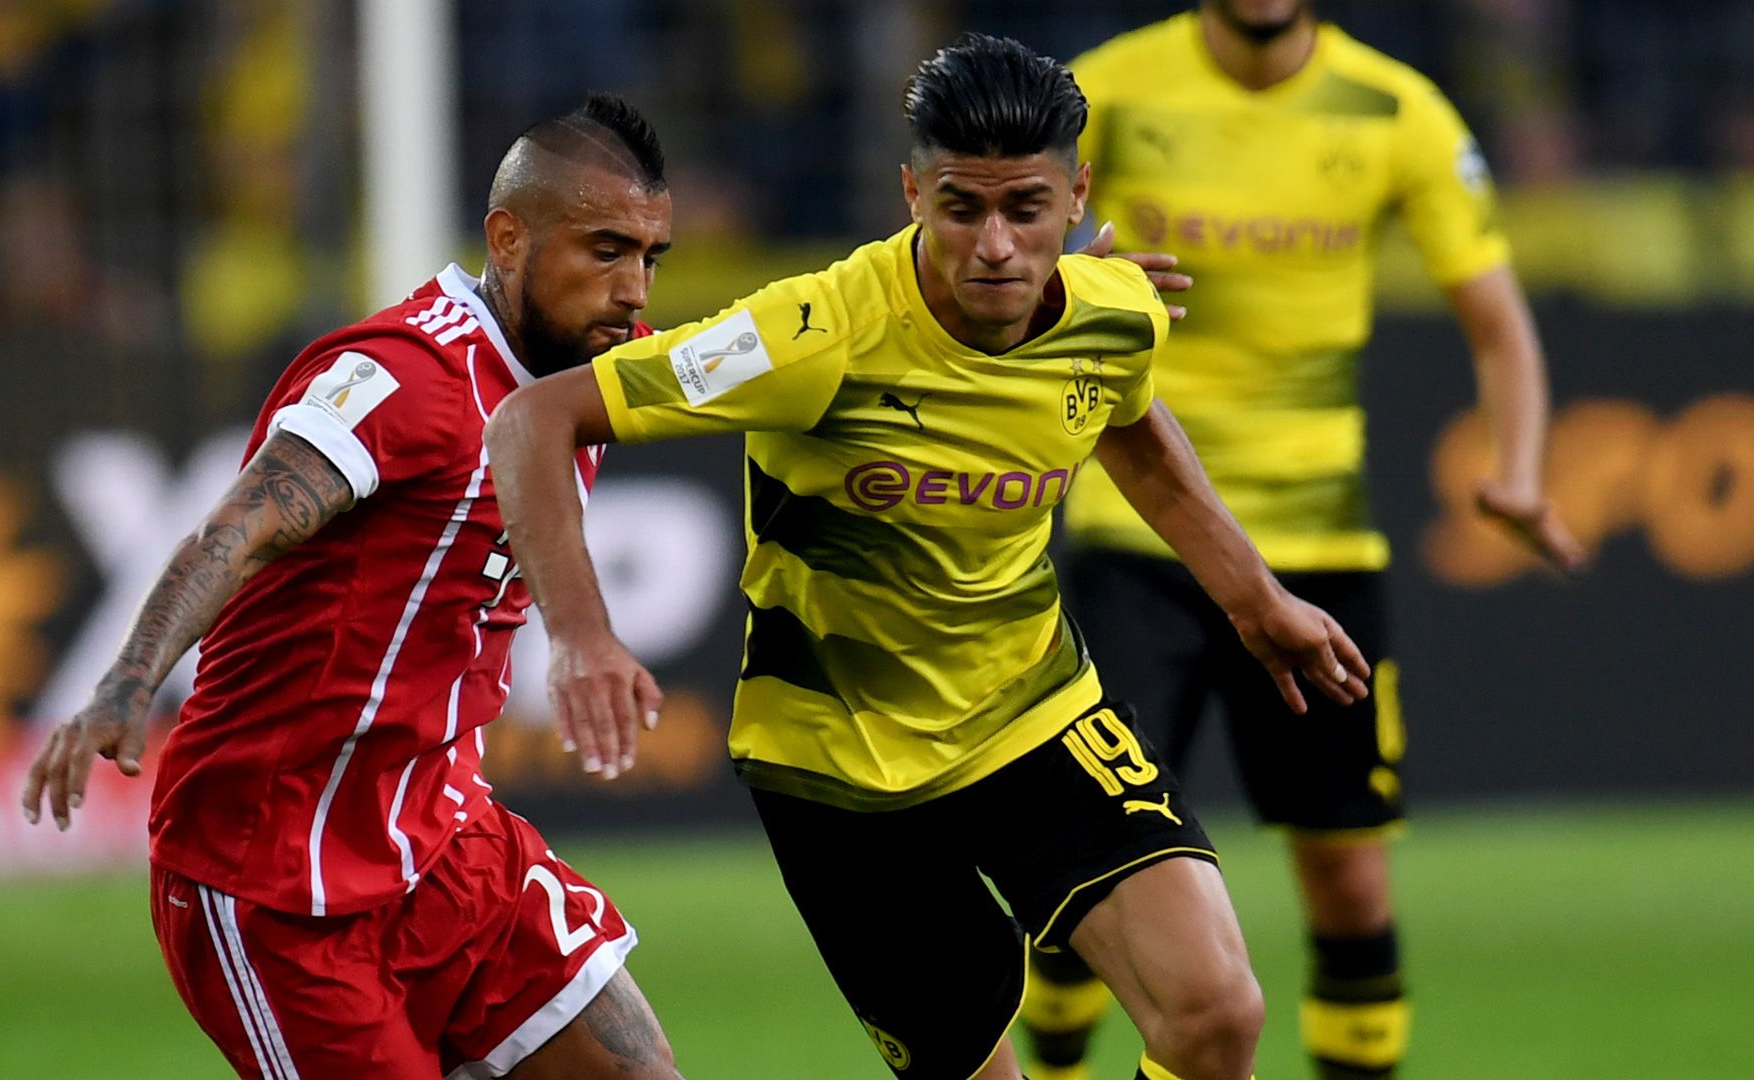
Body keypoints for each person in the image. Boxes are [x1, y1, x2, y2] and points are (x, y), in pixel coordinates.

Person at [486, 34, 1374, 1080]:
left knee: (1217, 1014)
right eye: (963, 208)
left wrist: (1253, 598)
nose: (995, 245)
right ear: (911, 192)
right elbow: (533, 422)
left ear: (1079, 194)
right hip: (839, 770)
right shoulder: (809, 335)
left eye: (1027, 211)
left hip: (1031, 712)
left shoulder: (1112, 312)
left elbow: (1127, 421)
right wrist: (584, 638)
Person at [20, 94, 686, 1080]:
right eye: (604, 252)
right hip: (275, 871)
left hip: (445, 840)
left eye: (649, 256)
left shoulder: (596, 373)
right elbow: (239, 527)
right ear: (509, 240)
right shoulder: (404, 377)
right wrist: (127, 679)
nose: (635, 291)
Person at [1018, 5, 1586, 1080]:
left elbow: (1499, 319)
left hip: (1320, 547)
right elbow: (996, 244)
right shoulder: (1111, 90)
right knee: (1094, 875)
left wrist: (1516, 468)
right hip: (1138, 539)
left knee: (1350, 881)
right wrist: (1071, 277)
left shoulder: (1395, 111)